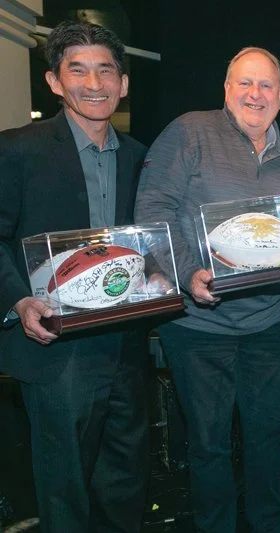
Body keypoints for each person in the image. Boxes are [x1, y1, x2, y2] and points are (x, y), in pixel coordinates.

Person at [134, 47, 280, 533]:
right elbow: (152, 211)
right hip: (199, 325)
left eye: (266, 85)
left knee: (270, 436)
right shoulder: (189, 131)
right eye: (245, 83)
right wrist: (189, 274)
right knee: (208, 444)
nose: (256, 94)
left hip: (268, 322)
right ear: (227, 89)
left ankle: (269, 523)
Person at [0, 20, 149, 533]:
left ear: (123, 83)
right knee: (64, 490)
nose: (93, 83)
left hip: (126, 343)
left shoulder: (139, 157)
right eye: (77, 70)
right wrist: (18, 300)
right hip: (57, 349)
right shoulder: (17, 150)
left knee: (125, 484)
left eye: (105, 71)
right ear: (54, 81)